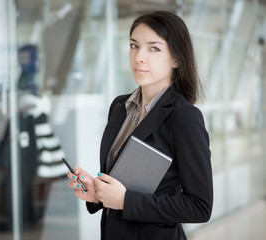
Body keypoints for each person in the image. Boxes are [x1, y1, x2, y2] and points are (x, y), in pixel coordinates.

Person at [67, 10, 213, 240]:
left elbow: (200, 206)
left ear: (176, 58)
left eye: (154, 48)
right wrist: (98, 193)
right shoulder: (119, 106)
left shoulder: (184, 117)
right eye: (134, 45)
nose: (139, 57)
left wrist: (126, 201)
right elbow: (120, 181)